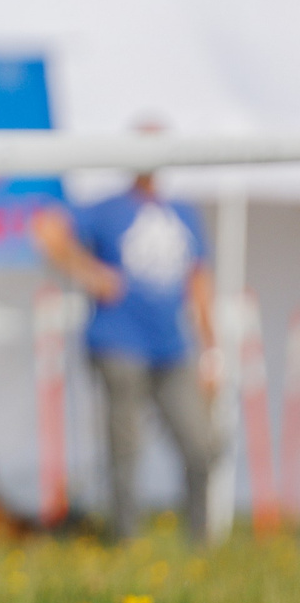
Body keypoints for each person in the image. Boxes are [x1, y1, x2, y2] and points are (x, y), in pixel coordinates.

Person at [32, 163, 216, 540]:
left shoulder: (181, 212)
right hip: (119, 343)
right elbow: (45, 229)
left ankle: (201, 542)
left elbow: (198, 280)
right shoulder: (107, 208)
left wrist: (211, 349)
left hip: (172, 346)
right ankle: (124, 539)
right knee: (126, 449)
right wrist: (88, 273)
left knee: (201, 445)